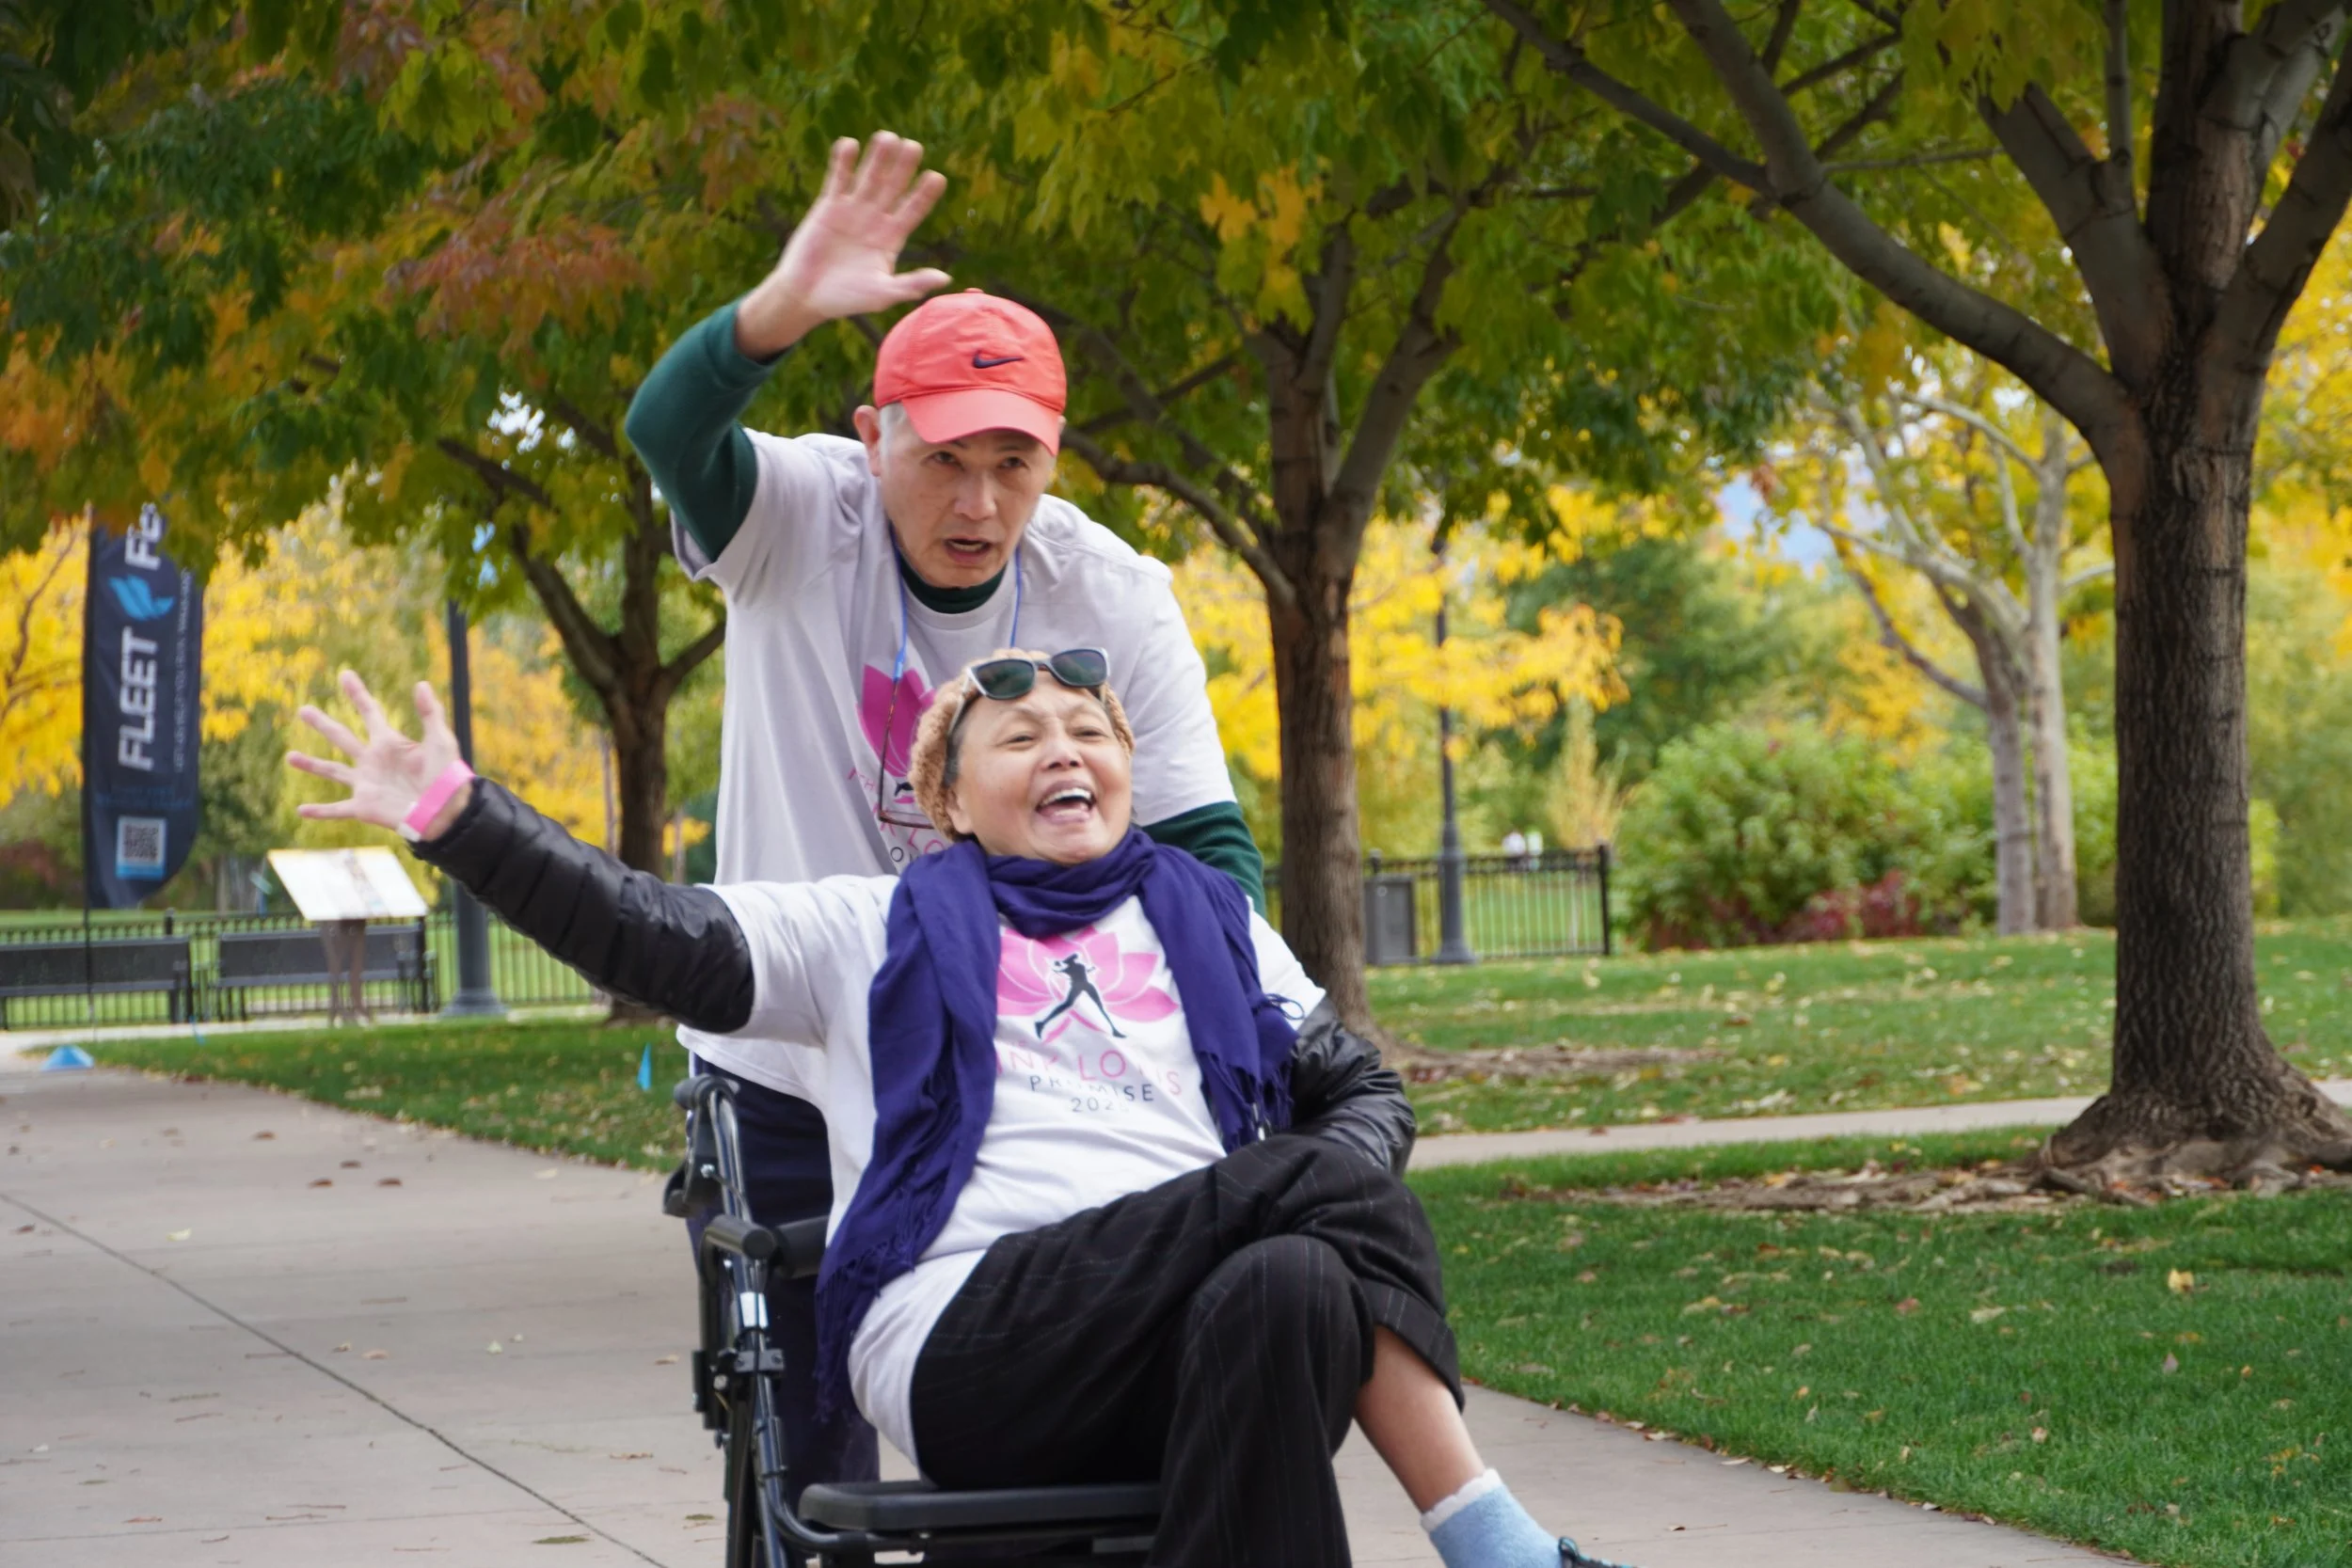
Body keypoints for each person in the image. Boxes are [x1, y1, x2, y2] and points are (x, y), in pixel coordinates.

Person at [287, 662, 1635, 1568]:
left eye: (1092, 730)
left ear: (1126, 769)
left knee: (1292, 1273)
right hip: (968, 1339)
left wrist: (1311, 1202)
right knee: (1300, 1201)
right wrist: (462, 819)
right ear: (947, 795)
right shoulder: (865, 925)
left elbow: (1363, 1092)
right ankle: (1497, 1539)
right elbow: (655, 934)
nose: (1067, 749)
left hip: (1195, 1340)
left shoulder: (1215, 923)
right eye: (1022, 734)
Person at [620, 132, 1263, 1484]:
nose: (980, 503)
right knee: (805, 1449)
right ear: (873, 436)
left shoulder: (1116, 592)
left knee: (1063, 1431)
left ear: (1054, 456)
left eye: (1015, 465)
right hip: (792, 1057)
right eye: (943, 460)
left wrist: (1255, 1033)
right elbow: (669, 429)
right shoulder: (801, 515)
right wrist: (780, 309)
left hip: (1032, 1068)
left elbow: (1209, 857)